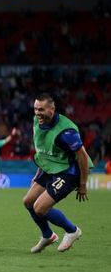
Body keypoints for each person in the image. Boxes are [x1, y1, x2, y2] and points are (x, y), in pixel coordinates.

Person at [23, 93, 93, 253]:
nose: (37, 113)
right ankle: (48, 235)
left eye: (41, 109)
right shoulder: (36, 121)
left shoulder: (66, 132)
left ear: (52, 109)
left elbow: (82, 156)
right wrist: (38, 172)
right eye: (35, 109)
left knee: (39, 208)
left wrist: (82, 184)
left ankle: (72, 230)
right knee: (28, 202)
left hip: (69, 171)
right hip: (50, 167)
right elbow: (43, 150)